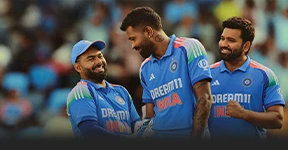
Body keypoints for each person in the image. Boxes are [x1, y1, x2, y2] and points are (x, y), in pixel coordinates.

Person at [120, 6, 213, 139]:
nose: (133, 46)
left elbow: (205, 99)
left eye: (133, 39)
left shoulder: (189, 48)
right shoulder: (145, 68)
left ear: (148, 31)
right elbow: (149, 114)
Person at [208, 16, 286, 139]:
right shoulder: (207, 74)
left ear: (246, 46)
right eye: (222, 39)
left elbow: (278, 119)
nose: (224, 44)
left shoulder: (265, 75)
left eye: (231, 40)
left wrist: (244, 114)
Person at [66, 39, 141, 139]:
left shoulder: (121, 91)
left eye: (100, 56)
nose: (99, 61)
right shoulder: (81, 92)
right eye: (91, 59)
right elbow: (90, 131)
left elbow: (137, 126)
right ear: (78, 67)